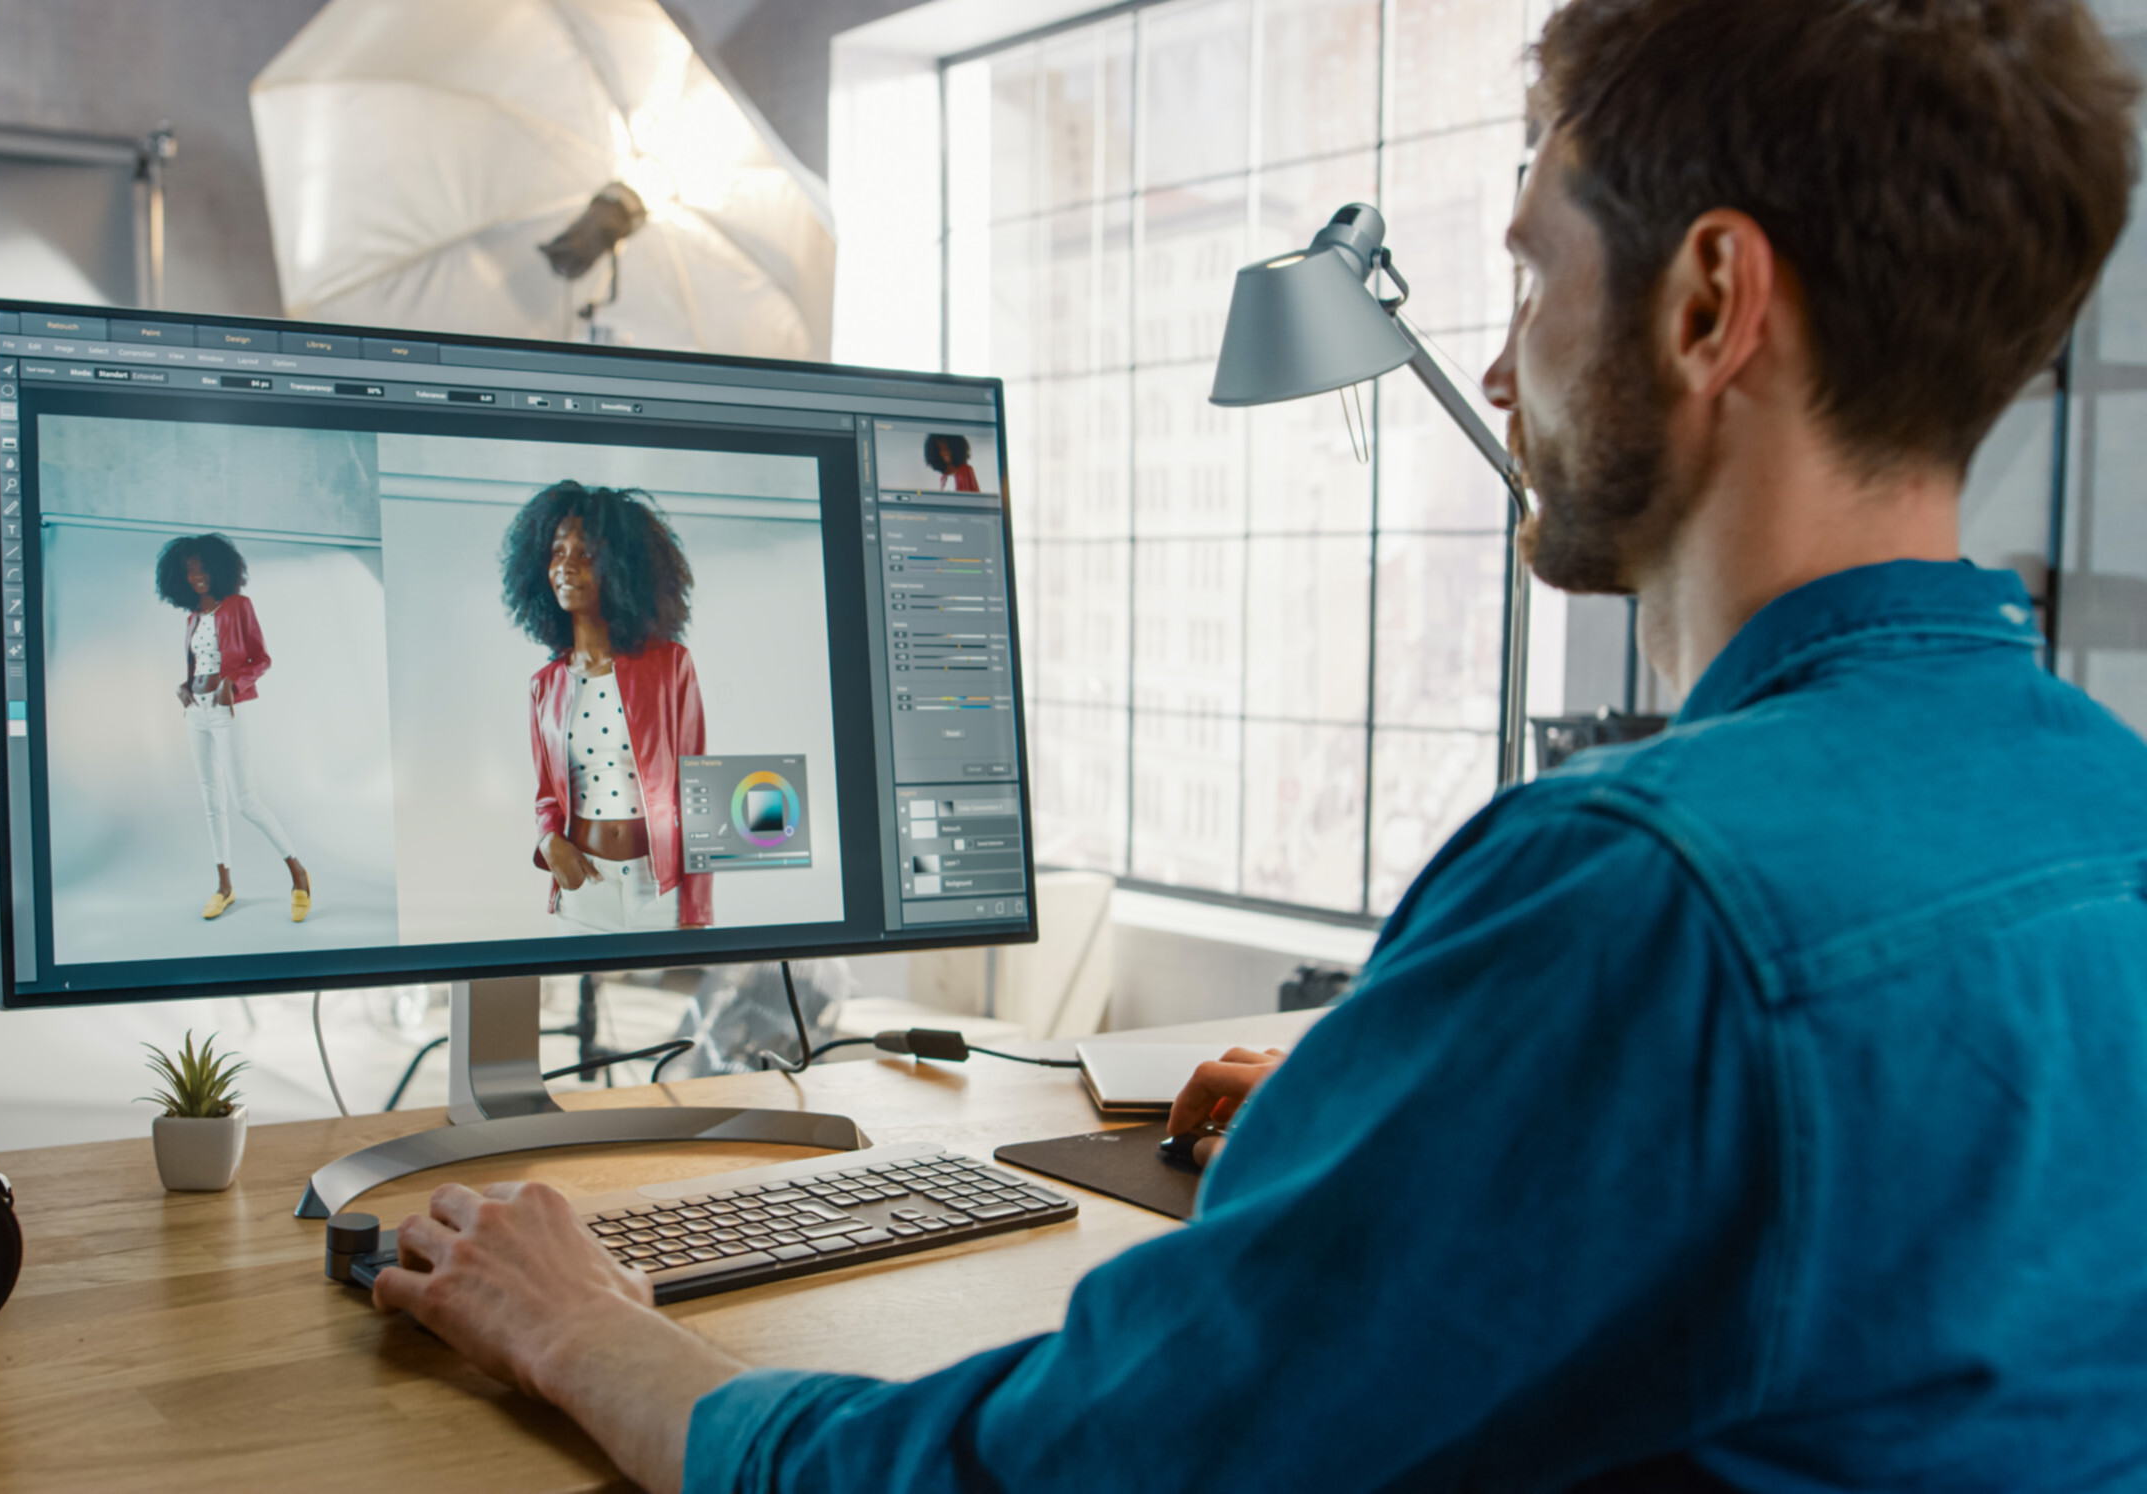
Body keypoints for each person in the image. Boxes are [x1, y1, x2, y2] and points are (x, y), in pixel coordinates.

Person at [368, 1, 2147, 1487]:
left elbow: (1063, 1470)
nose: (1504, 366)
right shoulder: (2106, 808)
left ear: (1704, 303)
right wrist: (1428, 1122)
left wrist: (586, 1326)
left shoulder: (1641, 887)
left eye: (1529, 270)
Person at [501, 480, 713, 932]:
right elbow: (546, 797)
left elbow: (699, 793)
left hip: (658, 889)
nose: (566, 567)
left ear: (621, 568)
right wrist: (548, 843)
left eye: (586, 554)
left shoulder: (670, 665)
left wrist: (697, 912)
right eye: (557, 553)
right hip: (582, 889)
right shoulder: (545, 686)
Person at [154, 533, 311, 923]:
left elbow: (262, 658)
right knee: (211, 801)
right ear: (179, 578)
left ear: (219, 568)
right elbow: (198, 665)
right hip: (196, 712)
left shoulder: (239, 606)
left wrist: (233, 685)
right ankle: (224, 887)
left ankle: (299, 874)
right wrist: (184, 687)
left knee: (245, 801)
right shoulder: (192, 618)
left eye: (203, 568)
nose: (198, 577)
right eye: (189, 573)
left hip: (228, 710)